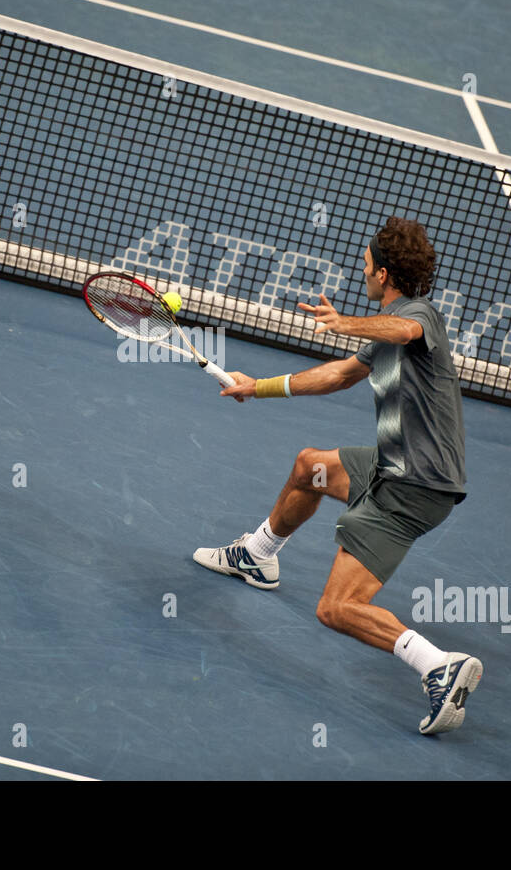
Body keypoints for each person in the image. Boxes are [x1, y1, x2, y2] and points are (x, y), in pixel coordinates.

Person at [193, 216, 482, 736]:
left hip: (412, 490)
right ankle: (257, 557)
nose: (363, 273)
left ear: (385, 274)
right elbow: (337, 376)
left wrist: (344, 321)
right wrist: (254, 387)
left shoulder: (419, 317)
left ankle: (437, 665)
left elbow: (403, 329)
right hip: (393, 465)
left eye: (368, 267)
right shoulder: (385, 335)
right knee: (310, 468)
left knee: (336, 607)